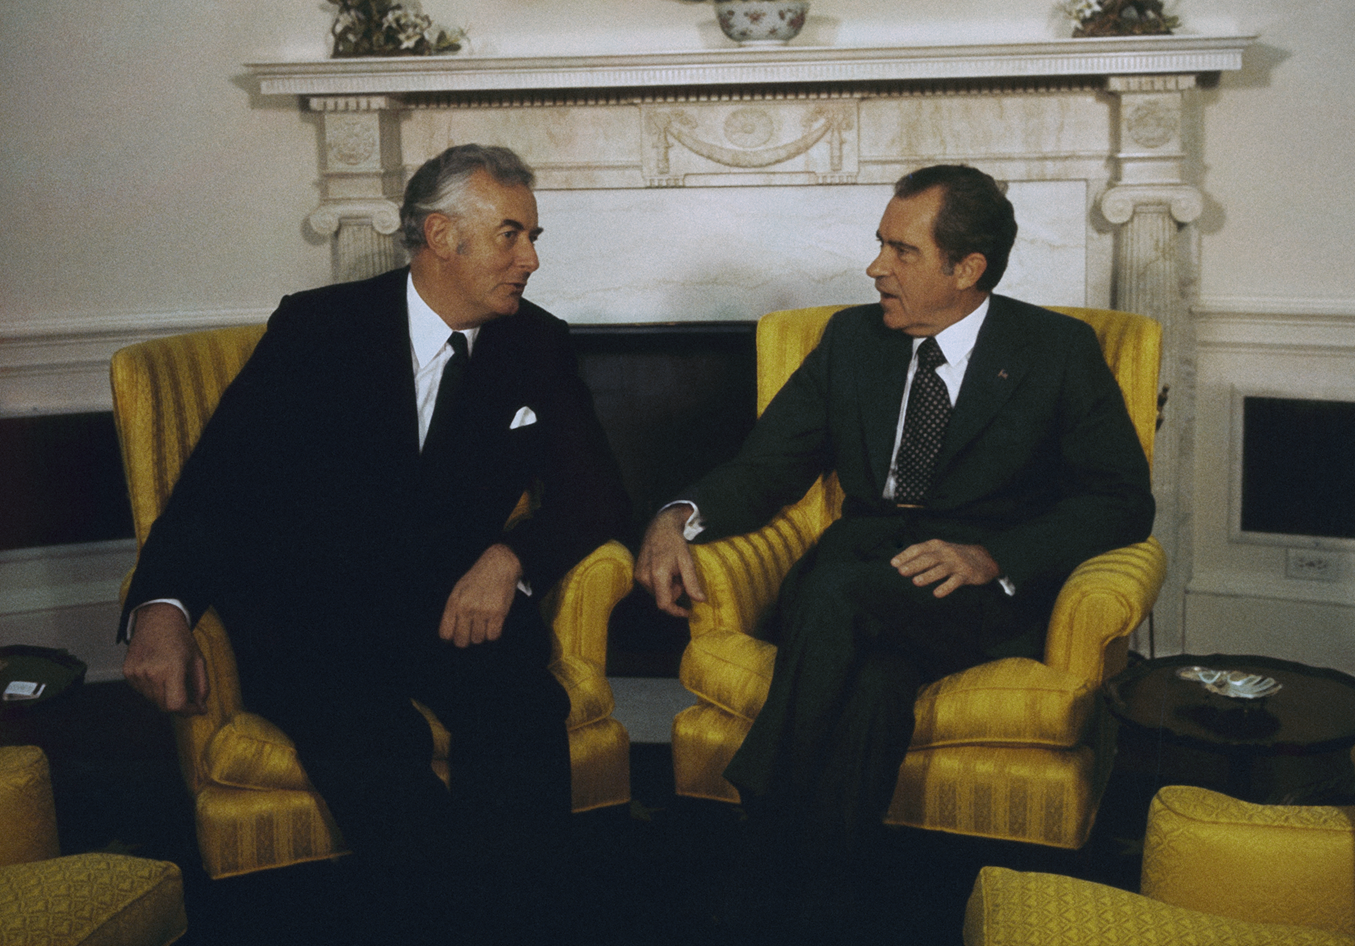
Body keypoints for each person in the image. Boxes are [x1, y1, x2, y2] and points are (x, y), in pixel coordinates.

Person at [121, 144, 629, 944]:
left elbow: (595, 489)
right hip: (315, 612)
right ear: (441, 235)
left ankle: (516, 918)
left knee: (524, 707)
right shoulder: (319, 328)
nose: (531, 258)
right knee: (375, 745)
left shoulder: (536, 341)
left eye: (533, 236)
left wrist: (509, 559)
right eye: (511, 234)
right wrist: (162, 605)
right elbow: (218, 483)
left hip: (449, 604)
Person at [636, 164, 1155, 938]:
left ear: (965, 268)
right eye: (880, 244)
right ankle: (819, 904)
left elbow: (1119, 498)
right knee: (876, 684)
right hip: (865, 565)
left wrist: (995, 557)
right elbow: (768, 464)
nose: (875, 266)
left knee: (834, 593)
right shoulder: (851, 340)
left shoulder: (1054, 350)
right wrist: (678, 513)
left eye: (900, 250)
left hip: (973, 590)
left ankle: (760, 824)